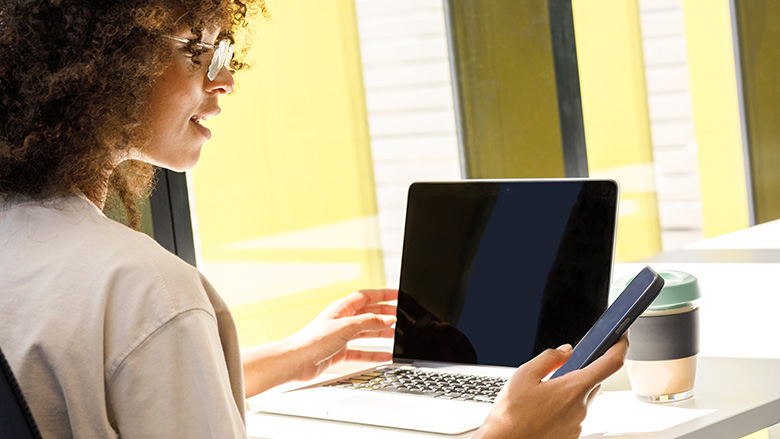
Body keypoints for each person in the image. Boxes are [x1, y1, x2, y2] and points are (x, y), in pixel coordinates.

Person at [0, 1, 628, 438]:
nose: (225, 81)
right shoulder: (143, 291)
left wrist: (289, 358)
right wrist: (510, 435)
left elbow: (83, 398)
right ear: (106, 61)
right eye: (198, 50)